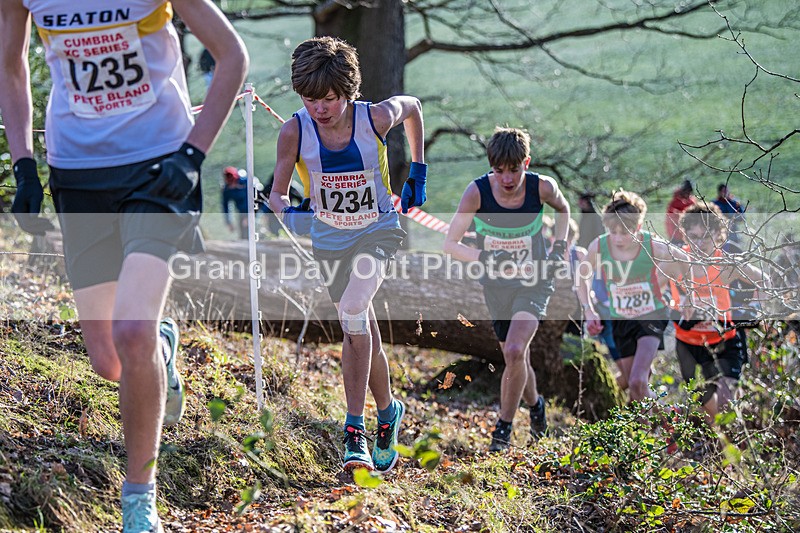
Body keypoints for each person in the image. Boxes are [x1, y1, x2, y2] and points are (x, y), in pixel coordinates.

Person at [0, 2, 248, 531]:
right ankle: (163, 345)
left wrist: (192, 155)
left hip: (159, 164)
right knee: (109, 361)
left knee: (131, 334)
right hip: (77, 170)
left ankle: (139, 505)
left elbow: (232, 55)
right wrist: (23, 162)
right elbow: (10, 64)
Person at [268, 36, 426, 473]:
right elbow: (277, 196)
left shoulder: (373, 117)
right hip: (330, 242)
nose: (321, 108)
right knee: (362, 329)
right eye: (311, 99)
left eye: (331, 99)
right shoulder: (294, 131)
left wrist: (418, 169)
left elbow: (412, 106)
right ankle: (389, 411)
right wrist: (293, 216)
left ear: (348, 91)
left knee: (354, 311)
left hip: (377, 230)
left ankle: (353, 431)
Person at [444, 126, 570, 452]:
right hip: (497, 287)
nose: (507, 178)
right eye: (499, 171)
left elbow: (565, 210)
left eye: (514, 170)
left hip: (535, 280)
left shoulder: (542, 187)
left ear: (526, 162)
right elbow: (451, 243)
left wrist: (558, 247)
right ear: (492, 167)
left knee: (514, 351)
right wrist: (485, 255)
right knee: (518, 358)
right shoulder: (477, 193)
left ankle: (503, 430)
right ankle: (537, 405)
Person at [578, 191, 692, 402]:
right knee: (635, 385)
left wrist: (690, 297)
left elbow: (685, 260)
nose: (619, 238)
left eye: (626, 232)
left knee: (638, 381)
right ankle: (665, 421)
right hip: (620, 320)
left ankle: (661, 426)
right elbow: (582, 275)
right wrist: (588, 308)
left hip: (651, 316)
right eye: (614, 232)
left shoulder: (651, 245)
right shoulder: (600, 246)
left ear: (638, 227)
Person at [673, 203, 766, 422]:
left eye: (706, 236)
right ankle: (718, 442)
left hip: (725, 340)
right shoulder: (675, 260)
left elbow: (763, 279)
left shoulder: (726, 262)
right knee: (707, 407)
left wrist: (754, 308)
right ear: (685, 236)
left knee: (725, 402)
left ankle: (733, 438)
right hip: (689, 343)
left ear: (719, 235)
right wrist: (676, 305)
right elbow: (654, 288)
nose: (699, 243)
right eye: (693, 237)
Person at [665, 179, 695, 244]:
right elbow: (670, 219)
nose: (688, 194)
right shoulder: (675, 202)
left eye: (689, 192)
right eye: (686, 191)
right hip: (675, 235)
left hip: (688, 235)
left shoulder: (691, 201)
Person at [221, 166, 249, 238]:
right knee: (243, 233)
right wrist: (229, 222)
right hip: (242, 213)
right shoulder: (227, 190)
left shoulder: (246, 182)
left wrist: (249, 216)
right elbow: (225, 207)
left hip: (254, 210)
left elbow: (252, 199)